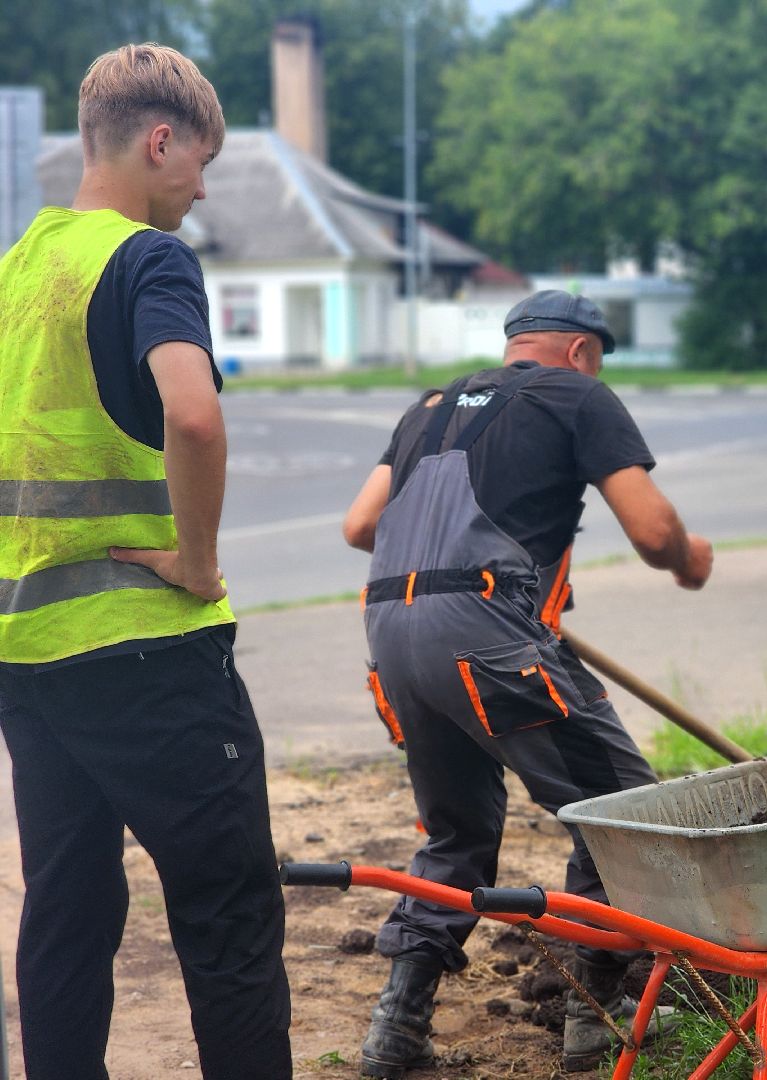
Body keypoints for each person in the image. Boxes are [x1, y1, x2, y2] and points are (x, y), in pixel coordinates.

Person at [0, 44, 291, 1079]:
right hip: (148, 652)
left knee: (68, 914)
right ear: (157, 139)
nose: (203, 188)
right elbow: (194, 417)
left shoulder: (17, 270)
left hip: (29, 659)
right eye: (199, 163)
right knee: (229, 916)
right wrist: (196, 559)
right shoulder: (146, 258)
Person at [342, 289, 713, 1076]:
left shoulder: (431, 408)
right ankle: (595, 1014)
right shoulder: (579, 394)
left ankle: (395, 1028)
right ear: (581, 351)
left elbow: (361, 527)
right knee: (622, 815)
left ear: (515, 344)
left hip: (392, 633)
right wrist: (689, 559)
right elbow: (651, 530)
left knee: (456, 831)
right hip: (483, 635)